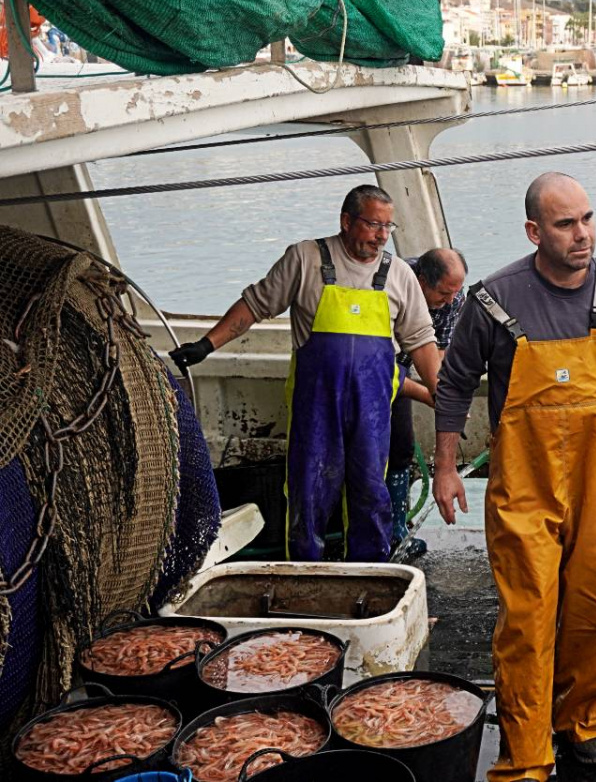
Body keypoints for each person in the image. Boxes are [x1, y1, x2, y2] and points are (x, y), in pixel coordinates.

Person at [434, 172, 596, 782]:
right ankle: (526, 750)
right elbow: (452, 384)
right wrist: (446, 467)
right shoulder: (492, 298)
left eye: (587, 218)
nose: (582, 234)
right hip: (524, 487)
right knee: (527, 619)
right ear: (534, 231)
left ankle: (587, 724)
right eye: (564, 224)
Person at [169, 185, 440, 563]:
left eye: (387, 227)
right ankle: (304, 570)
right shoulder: (306, 258)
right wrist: (205, 345)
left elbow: (421, 339)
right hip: (316, 405)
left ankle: (371, 570)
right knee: (309, 489)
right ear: (346, 221)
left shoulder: (398, 274)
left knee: (369, 490)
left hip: (373, 409)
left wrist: (441, 391)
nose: (381, 236)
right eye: (373, 225)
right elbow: (255, 305)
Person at [386, 247, 468, 553]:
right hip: (368, 370)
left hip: (407, 362)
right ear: (420, 281)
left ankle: (397, 530)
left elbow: (441, 352)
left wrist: (446, 398)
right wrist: (430, 396)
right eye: (443, 294)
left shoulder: (453, 298)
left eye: (454, 293)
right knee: (371, 452)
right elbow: (383, 373)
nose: (449, 301)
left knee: (401, 447)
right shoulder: (388, 285)